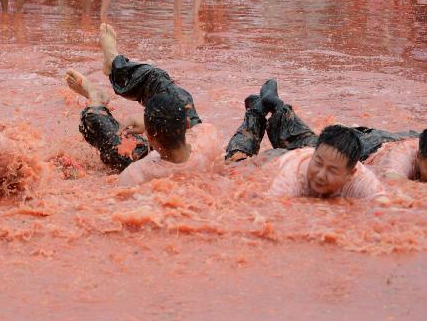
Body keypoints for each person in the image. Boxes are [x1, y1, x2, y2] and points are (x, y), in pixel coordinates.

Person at [64, 23, 220, 187]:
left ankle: (97, 97)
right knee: (177, 96)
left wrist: (148, 123)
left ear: (149, 138)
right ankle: (115, 64)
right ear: (187, 124)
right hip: (185, 153)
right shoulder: (209, 135)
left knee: (95, 121)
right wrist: (151, 123)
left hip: (149, 163)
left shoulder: (135, 174)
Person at [224, 80, 417, 201]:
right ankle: (257, 112)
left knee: (306, 141)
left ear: (351, 173)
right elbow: (271, 213)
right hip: (275, 162)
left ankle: (278, 109)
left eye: (332, 171)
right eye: (319, 165)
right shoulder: (291, 178)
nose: (321, 175)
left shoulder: (361, 177)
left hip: (314, 153)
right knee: (234, 164)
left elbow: (384, 206)